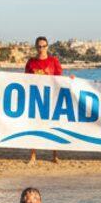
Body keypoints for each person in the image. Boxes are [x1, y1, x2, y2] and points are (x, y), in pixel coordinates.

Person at [25, 36, 62, 165]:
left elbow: (60, 80)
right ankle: (33, 155)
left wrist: (71, 80)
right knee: (34, 127)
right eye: (39, 46)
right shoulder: (31, 62)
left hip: (50, 98)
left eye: (44, 46)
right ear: (36, 47)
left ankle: (55, 155)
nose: (41, 49)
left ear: (47, 47)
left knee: (53, 127)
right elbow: (24, 80)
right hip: (35, 99)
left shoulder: (54, 61)